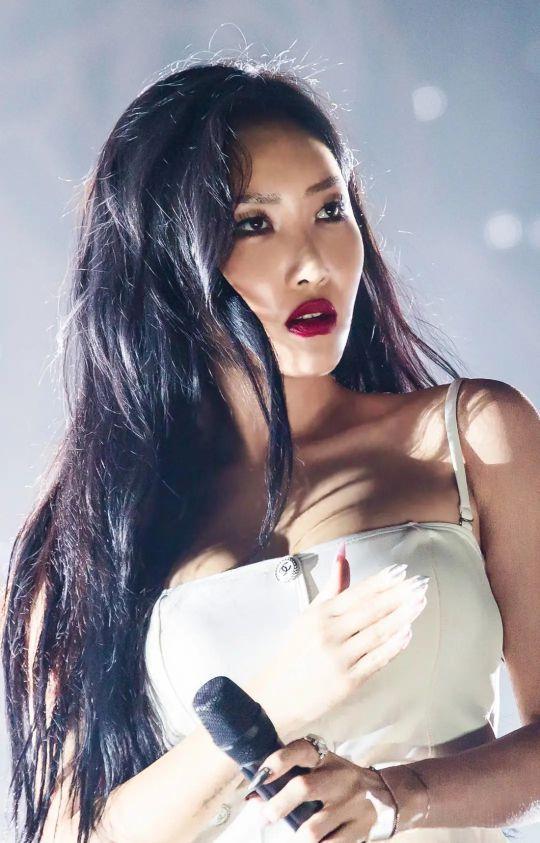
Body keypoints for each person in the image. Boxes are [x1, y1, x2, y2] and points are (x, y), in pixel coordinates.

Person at [1, 56, 538, 843]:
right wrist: (278, 697)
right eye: (254, 223)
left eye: (331, 210)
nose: (315, 263)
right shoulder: (97, 534)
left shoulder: (473, 436)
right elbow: (75, 832)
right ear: (167, 258)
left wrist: (397, 796)